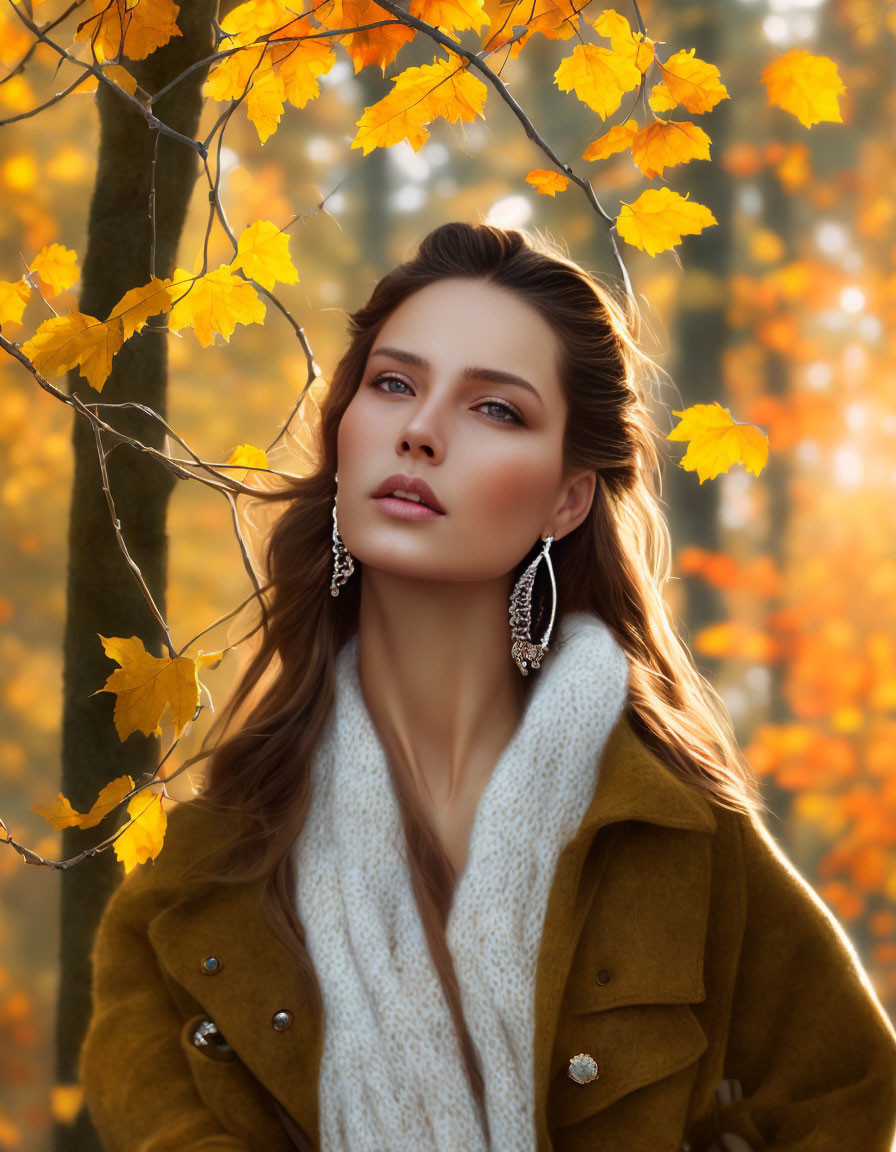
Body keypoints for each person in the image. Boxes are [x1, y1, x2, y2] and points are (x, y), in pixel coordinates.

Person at [79, 221, 896, 1152]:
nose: (420, 433)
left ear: (567, 497)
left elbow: (848, 1089)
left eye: (496, 410)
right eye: (393, 385)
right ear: (344, 436)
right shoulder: (190, 884)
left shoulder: (680, 839)